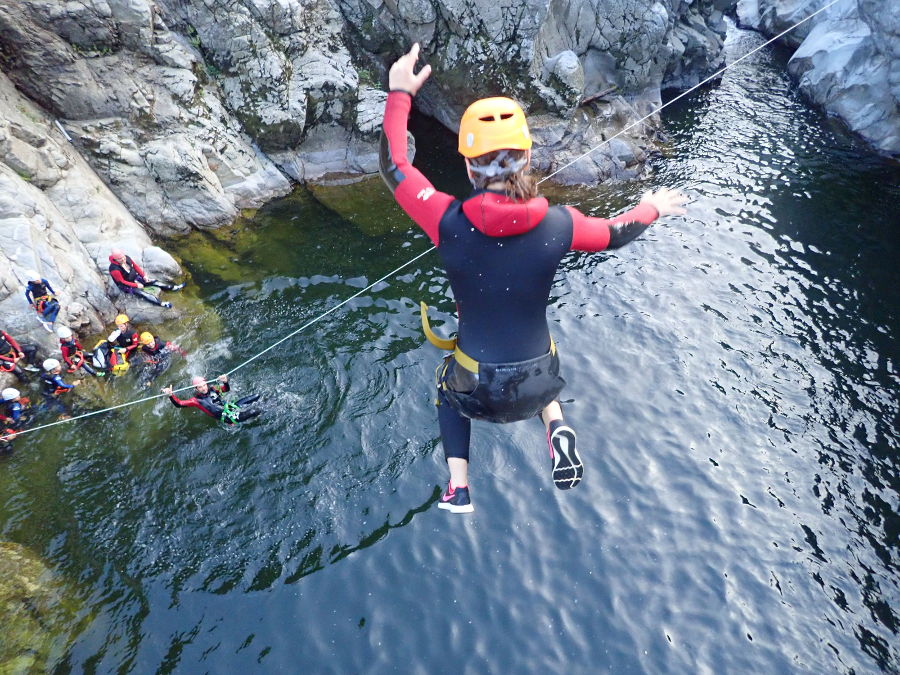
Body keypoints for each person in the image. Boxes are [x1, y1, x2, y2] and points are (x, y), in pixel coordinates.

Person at [381, 45, 687, 513]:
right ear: (527, 158)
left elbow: (395, 165)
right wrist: (655, 207)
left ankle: (458, 488)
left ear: (467, 164)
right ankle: (556, 425)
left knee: (446, 388)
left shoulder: (444, 219)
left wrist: (400, 93)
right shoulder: (561, 223)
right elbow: (616, 233)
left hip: (476, 385)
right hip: (539, 382)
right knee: (541, 358)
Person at [162, 374, 262, 425]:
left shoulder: (213, 389)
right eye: (200, 387)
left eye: (204, 385)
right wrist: (171, 395)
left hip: (230, 408)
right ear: (196, 389)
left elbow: (226, 389)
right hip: (227, 418)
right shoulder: (196, 401)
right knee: (254, 411)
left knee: (256, 396)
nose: (204, 388)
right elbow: (179, 404)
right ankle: (266, 410)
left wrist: (225, 381)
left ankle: (267, 402)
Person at [108, 248, 184, 308]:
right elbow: (122, 282)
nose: (123, 260)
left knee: (153, 282)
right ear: (115, 259)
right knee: (143, 294)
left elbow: (135, 266)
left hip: (134, 277)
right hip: (126, 285)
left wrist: (143, 276)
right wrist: (136, 285)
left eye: (123, 257)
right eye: (120, 259)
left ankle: (173, 288)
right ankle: (161, 304)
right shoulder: (114, 269)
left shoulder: (126, 258)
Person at [0, 387, 31, 455]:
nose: (19, 396)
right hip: (13, 419)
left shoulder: (5, 400)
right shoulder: (16, 405)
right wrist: (22, 408)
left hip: (8, 415)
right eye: (17, 396)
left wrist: (5, 418)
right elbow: (16, 417)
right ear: (13, 399)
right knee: (29, 418)